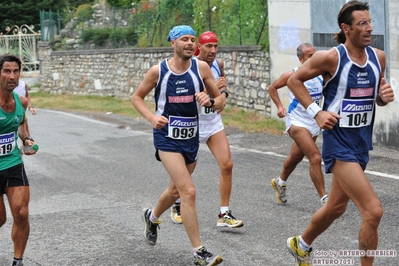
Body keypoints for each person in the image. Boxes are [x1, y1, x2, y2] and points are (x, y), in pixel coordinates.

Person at [285, 1, 394, 265]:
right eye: (362, 23)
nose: (369, 28)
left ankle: (300, 244)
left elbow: (374, 96)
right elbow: (293, 80)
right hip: (338, 144)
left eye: (370, 22)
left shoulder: (378, 57)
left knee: (335, 207)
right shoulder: (331, 57)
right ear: (346, 28)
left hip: (361, 144)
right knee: (373, 211)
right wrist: (316, 113)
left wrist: (382, 98)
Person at [131, 25, 224, 266]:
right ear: (173, 43)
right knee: (188, 191)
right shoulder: (158, 71)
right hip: (166, 137)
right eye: (184, 39)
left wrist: (211, 100)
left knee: (174, 191)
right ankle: (198, 252)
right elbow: (136, 97)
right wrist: (152, 118)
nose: (190, 43)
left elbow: (221, 102)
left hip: (191, 137)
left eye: (193, 39)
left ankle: (151, 217)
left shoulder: (201, 68)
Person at [170, 31, 243, 228]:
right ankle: (176, 205)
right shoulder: (190, 66)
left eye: (215, 46)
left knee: (227, 165)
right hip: (192, 123)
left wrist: (222, 96)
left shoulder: (219, 65)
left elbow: (222, 92)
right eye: (208, 46)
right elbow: (187, 95)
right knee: (183, 172)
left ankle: (224, 213)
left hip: (212, 123)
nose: (213, 50)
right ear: (198, 48)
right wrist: (210, 92)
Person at [268, 43, 328, 206]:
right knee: (315, 157)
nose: (314, 58)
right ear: (301, 59)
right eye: (310, 56)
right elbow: (272, 88)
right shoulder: (292, 75)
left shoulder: (322, 74)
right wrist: (280, 106)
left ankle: (280, 182)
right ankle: (324, 198)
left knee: (296, 157)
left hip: (314, 122)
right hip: (297, 122)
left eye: (315, 54)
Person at [0, 54, 38, 266]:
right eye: (7, 71)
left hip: (12, 163)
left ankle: (17, 261)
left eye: (16, 71)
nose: (12, 76)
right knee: (1, 219)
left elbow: (21, 124)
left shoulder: (21, 101)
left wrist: (27, 140)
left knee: (22, 213)